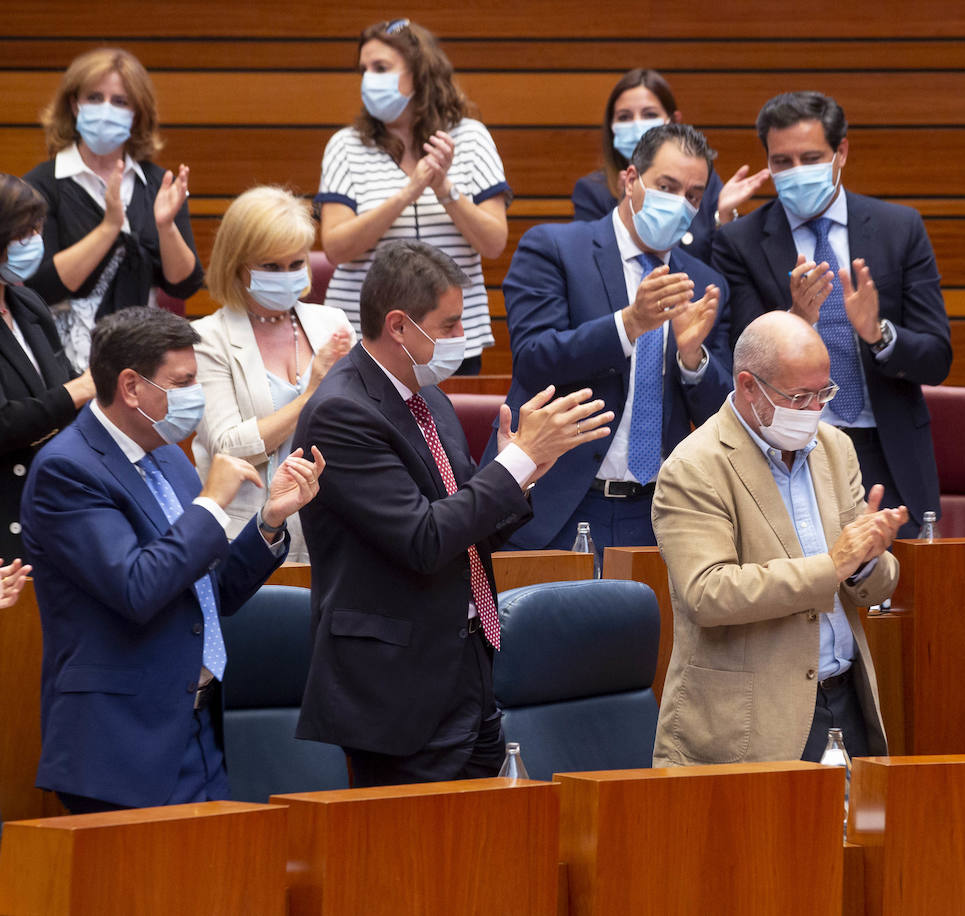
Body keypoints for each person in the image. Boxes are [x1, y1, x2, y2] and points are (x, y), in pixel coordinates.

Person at [293, 240, 611, 787]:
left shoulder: (429, 397)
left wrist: (527, 474)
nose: (463, 338)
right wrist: (513, 463)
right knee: (415, 862)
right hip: (396, 688)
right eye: (449, 324)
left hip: (468, 666)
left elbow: (467, 526)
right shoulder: (341, 411)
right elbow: (423, 538)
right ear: (398, 326)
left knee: (483, 848)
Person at [20, 307, 324, 813]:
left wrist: (269, 521)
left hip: (198, 726)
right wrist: (211, 503)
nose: (194, 397)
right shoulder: (66, 472)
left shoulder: (163, 452)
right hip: (120, 747)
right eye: (181, 383)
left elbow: (210, 589)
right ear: (131, 386)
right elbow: (137, 589)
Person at [652, 311, 907, 766]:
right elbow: (708, 594)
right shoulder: (694, 467)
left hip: (845, 700)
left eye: (823, 393)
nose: (814, 410)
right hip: (749, 722)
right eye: (800, 397)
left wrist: (869, 559)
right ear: (749, 386)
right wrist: (834, 566)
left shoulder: (835, 448)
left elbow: (872, 582)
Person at [712, 91, 951, 538]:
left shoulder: (900, 229)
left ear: (841, 152)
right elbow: (739, 360)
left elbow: (937, 358)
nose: (797, 172)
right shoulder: (739, 241)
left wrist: (877, 333)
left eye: (810, 157)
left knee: (899, 598)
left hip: (888, 451)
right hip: (788, 450)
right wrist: (795, 319)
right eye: (782, 162)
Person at [492, 123, 732, 554]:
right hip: (561, 500)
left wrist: (693, 358)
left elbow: (722, 415)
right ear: (630, 179)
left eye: (693, 196)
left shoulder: (705, 282)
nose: (679, 204)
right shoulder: (555, 247)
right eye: (666, 186)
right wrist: (628, 323)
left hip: (658, 512)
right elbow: (533, 357)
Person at [317, 18, 509, 372]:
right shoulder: (345, 146)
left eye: (381, 68)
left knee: (450, 428)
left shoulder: (472, 137)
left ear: (419, 72)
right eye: (364, 70)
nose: (368, 79)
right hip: (367, 338)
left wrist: (443, 188)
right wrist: (408, 193)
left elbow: (494, 243)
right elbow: (336, 246)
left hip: (450, 339)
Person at [193, 186, 354, 561]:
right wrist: (311, 393)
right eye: (270, 267)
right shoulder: (206, 339)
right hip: (246, 536)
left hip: (332, 530)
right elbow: (229, 449)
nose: (287, 276)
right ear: (237, 265)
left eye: (296, 264)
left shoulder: (332, 323)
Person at [24, 48, 202, 371]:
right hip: (62, 363)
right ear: (75, 105)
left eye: (120, 102)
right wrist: (109, 228)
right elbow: (39, 286)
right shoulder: (42, 184)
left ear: (137, 114)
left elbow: (183, 284)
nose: (106, 110)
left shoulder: (157, 183)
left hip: (141, 360)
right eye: (94, 98)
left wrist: (166, 227)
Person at [571, 68, 769, 264]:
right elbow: (590, 267)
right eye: (624, 117)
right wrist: (627, 208)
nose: (636, 125)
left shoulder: (698, 182)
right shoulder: (592, 189)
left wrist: (724, 217)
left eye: (649, 114)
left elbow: (717, 269)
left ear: (673, 121)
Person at [0, 173, 96, 557]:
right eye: (22, 233)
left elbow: (65, 382)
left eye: (37, 229)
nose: (34, 242)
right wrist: (78, 391)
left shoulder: (27, 304)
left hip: (51, 508)